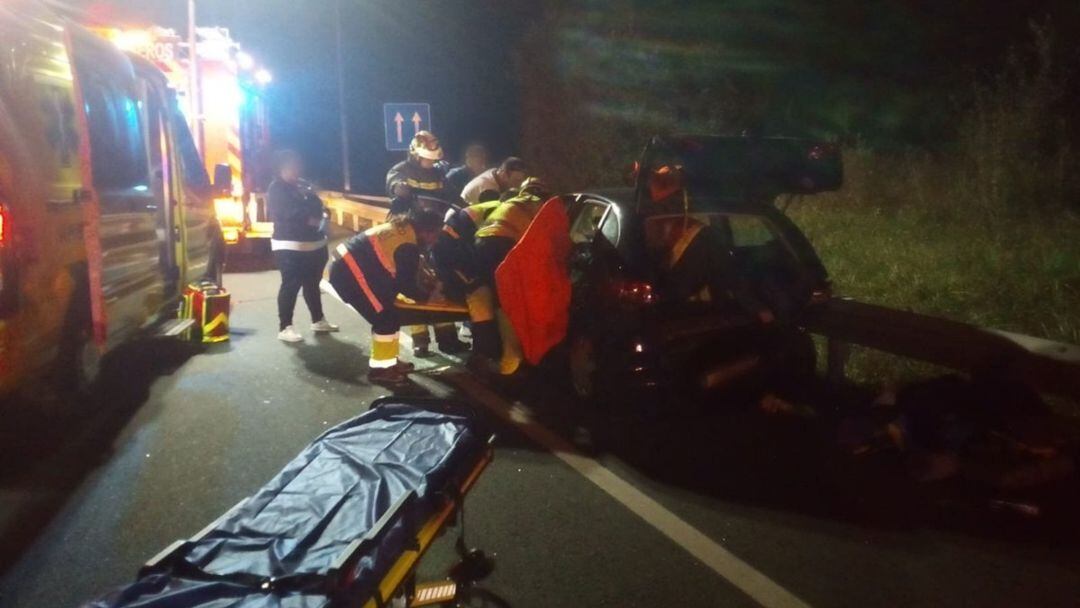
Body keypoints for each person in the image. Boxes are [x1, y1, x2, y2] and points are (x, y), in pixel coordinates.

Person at [327, 209, 444, 384]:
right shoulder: (408, 245)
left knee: (392, 314)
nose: (435, 241)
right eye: (435, 235)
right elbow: (407, 285)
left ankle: (389, 361)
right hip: (350, 273)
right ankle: (380, 370)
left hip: (355, 268)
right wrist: (428, 298)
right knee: (385, 317)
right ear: (426, 231)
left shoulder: (403, 229)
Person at [267, 150, 338, 343]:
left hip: (314, 244)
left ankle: (318, 319)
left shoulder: (302, 187)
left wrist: (319, 213)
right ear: (281, 168)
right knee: (291, 284)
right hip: (289, 245)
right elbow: (288, 213)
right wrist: (310, 218)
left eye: (297, 166)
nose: (296, 170)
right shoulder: (277, 189)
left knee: (312, 284)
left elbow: (321, 207)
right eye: (291, 167)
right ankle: (285, 326)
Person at [432, 200, 502, 359]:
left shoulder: (494, 208)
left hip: (451, 249)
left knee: (450, 292)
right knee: (479, 295)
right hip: (451, 254)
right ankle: (483, 351)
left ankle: (450, 341)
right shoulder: (503, 213)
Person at [385, 131, 455, 210]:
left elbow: (451, 195)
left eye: (433, 159)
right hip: (409, 218)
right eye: (428, 158)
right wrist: (398, 187)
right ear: (417, 157)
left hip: (435, 217)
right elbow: (394, 182)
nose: (432, 161)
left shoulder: (438, 174)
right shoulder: (401, 170)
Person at [461, 157, 528, 204]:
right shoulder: (488, 189)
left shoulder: (495, 172)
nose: (520, 185)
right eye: (516, 181)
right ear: (504, 175)